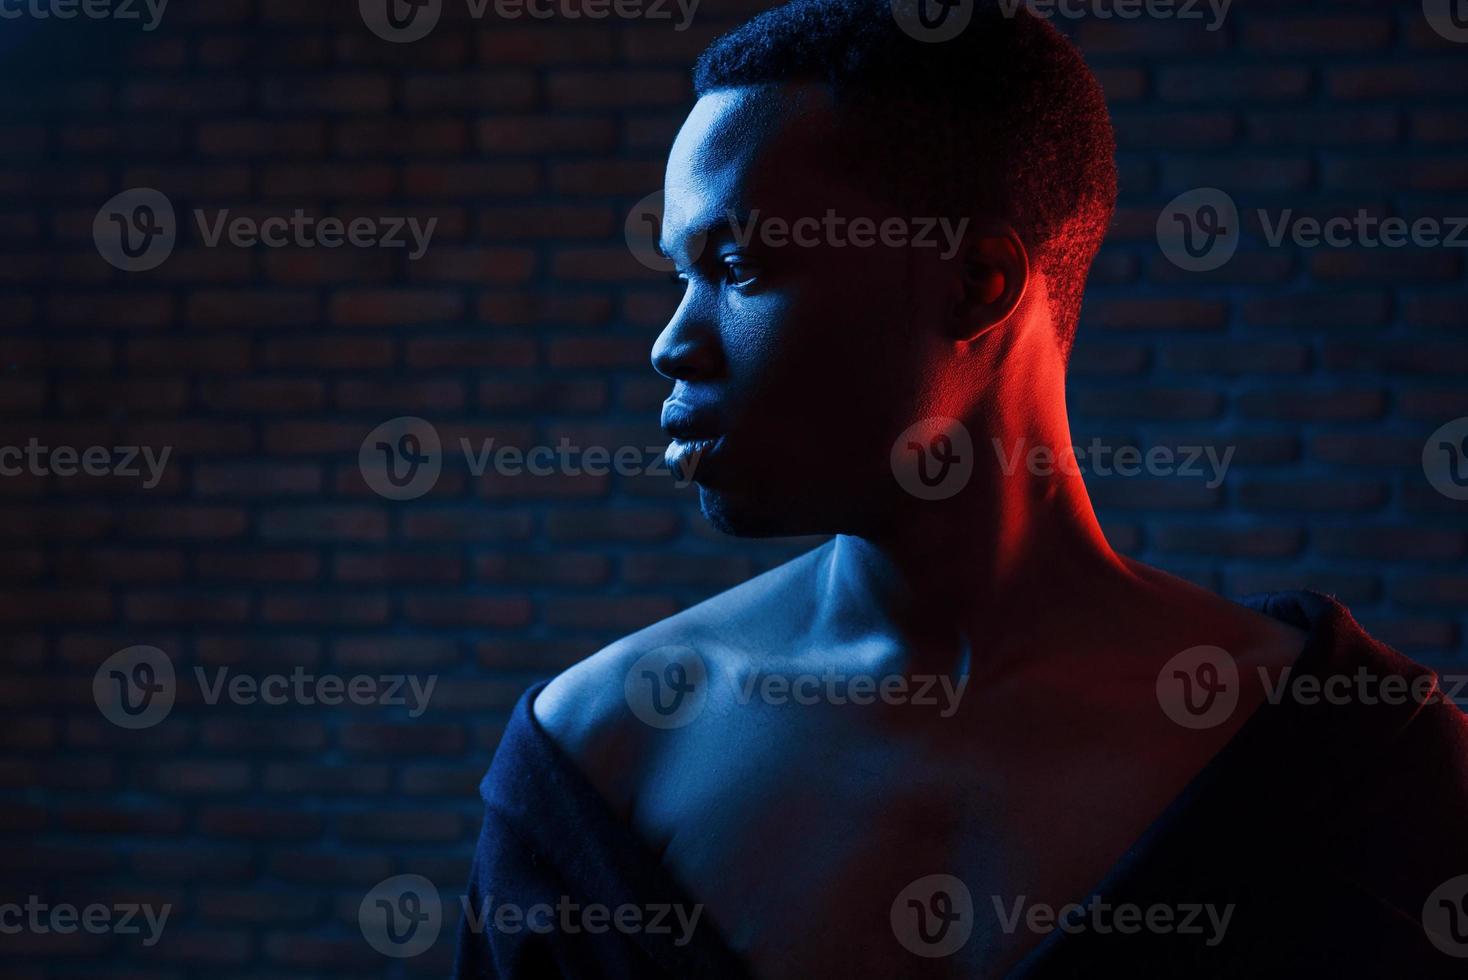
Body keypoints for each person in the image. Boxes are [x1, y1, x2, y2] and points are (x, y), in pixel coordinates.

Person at [457, 1, 1468, 976]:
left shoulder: (1362, 764)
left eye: (740, 265)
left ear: (977, 279)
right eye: (680, 274)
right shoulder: (594, 762)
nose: (672, 341)